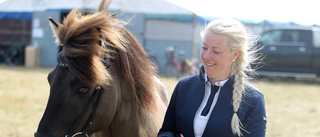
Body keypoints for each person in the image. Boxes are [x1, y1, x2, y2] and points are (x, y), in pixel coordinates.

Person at [158, 18, 267, 137]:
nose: (206, 56)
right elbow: (167, 131)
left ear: (235, 54)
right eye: (204, 47)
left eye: (215, 51)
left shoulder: (253, 100)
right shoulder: (184, 87)